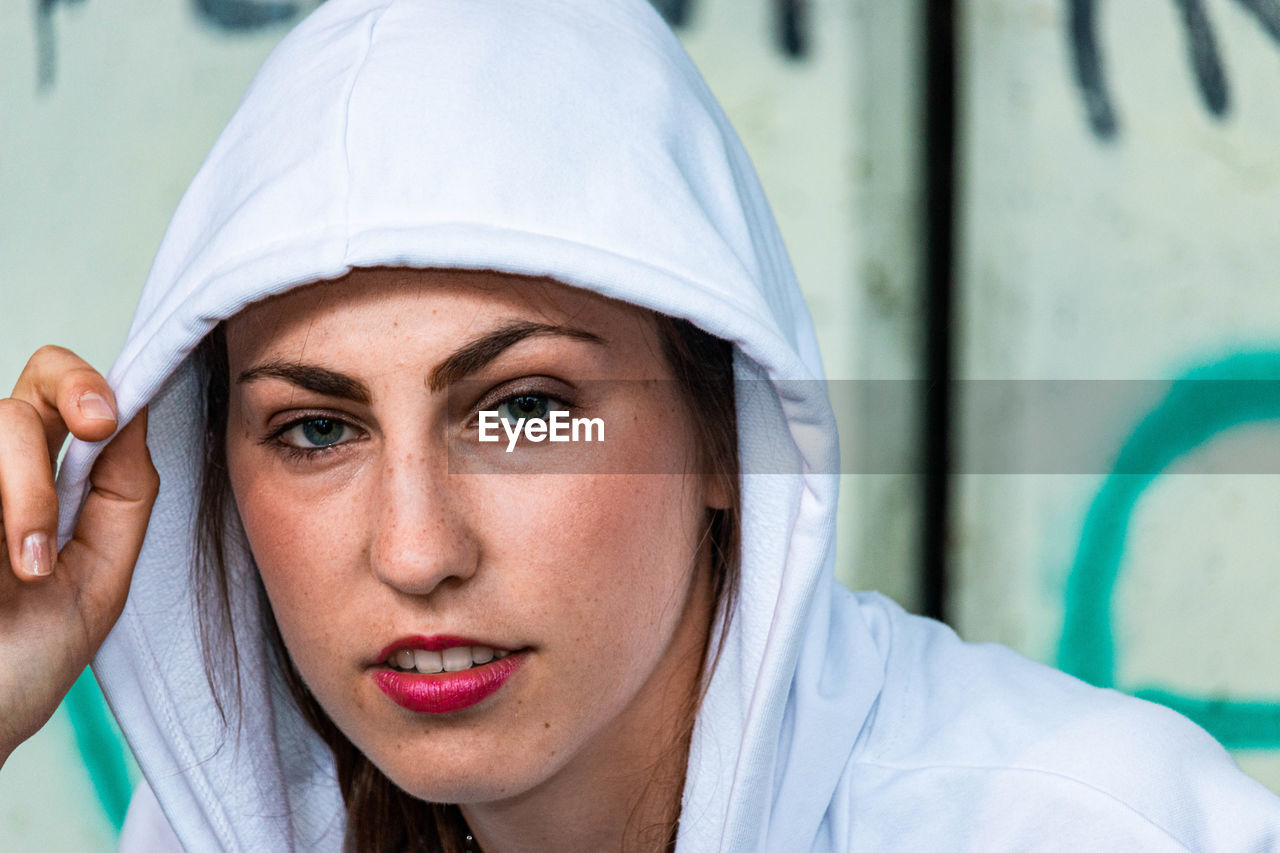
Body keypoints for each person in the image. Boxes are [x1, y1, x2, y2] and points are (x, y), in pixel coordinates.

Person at [3, 0, 1280, 850]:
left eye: (522, 409)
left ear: (725, 436)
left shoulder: (1078, 826)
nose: (413, 548)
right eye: (316, 431)